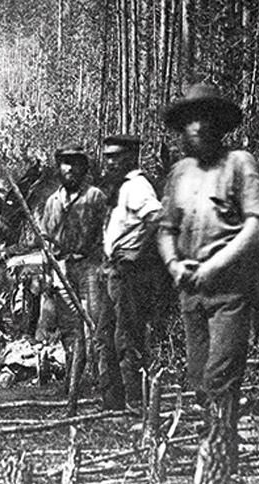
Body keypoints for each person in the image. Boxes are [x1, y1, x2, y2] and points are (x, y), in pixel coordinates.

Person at [157, 84, 259, 484]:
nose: (198, 125)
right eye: (190, 118)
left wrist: (214, 266)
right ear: (182, 129)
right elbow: (166, 228)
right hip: (191, 290)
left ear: (221, 125)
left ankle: (222, 465)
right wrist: (173, 264)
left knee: (222, 377)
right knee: (199, 380)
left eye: (207, 117)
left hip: (229, 289)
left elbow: (258, 226)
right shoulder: (180, 172)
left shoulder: (239, 163)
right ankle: (213, 455)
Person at [98, 134, 166, 410]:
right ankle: (113, 401)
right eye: (108, 157)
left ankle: (135, 402)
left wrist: (139, 251)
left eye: (116, 156)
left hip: (130, 273)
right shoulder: (120, 187)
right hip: (113, 270)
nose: (111, 162)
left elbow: (157, 218)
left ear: (131, 158)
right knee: (104, 336)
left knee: (127, 337)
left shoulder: (138, 186)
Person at [35, 145, 108, 393]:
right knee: (70, 328)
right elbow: (45, 241)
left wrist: (103, 265)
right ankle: (73, 382)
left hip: (90, 267)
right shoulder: (52, 202)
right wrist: (47, 275)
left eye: (75, 163)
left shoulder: (95, 197)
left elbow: (106, 234)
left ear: (84, 168)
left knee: (96, 324)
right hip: (62, 268)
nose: (69, 168)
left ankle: (104, 383)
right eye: (64, 163)